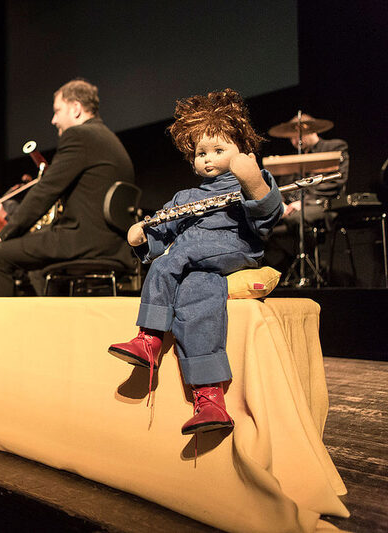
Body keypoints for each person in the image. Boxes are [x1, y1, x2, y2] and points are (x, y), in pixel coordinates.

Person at [107, 89, 283, 435]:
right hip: (198, 263)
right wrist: (145, 236)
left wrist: (252, 180)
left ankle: (150, 338)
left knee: (181, 254)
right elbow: (163, 231)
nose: (208, 159)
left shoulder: (250, 179)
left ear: (241, 149)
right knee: (197, 291)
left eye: (219, 150)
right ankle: (210, 399)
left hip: (236, 248)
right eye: (201, 152)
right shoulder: (185, 197)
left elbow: (268, 217)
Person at [0, 79, 135, 296]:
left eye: (57, 111)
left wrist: (5, 234)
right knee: (35, 261)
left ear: (76, 109)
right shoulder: (109, 138)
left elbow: (45, 190)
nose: (53, 120)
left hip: (85, 241)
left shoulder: (79, 136)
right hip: (114, 244)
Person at [264, 115, 349, 276]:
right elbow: (283, 187)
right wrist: (280, 204)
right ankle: (289, 270)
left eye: (297, 136)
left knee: (297, 218)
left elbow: (336, 181)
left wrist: (304, 202)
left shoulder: (334, 146)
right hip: (292, 209)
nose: (295, 141)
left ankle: (313, 268)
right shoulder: (295, 158)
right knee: (260, 227)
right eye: (291, 138)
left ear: (310, 131)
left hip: (323, 205)